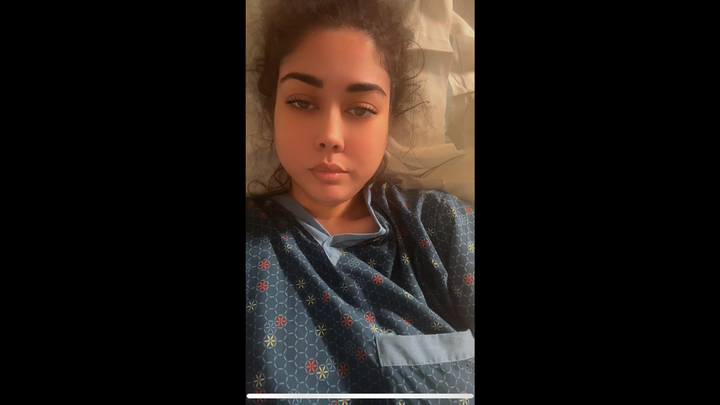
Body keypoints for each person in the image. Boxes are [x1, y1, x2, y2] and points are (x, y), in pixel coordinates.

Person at [246, 1, 475, 402]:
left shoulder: (443, 228)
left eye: (361, 109)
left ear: (389, 119)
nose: (330, 136)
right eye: (301, 102)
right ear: (272, 109)